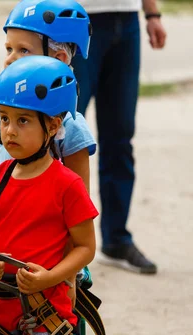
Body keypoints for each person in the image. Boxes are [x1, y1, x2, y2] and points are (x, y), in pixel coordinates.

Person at [0, 1, 97, 335]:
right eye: (8, 49)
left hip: (56, 272)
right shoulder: (2, 128)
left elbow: (78, 213)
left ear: (58, 56)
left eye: (22, 50)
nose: (10, 58)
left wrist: (65, 277)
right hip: (7, 276)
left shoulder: (69, 128)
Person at [71, 0, 166, 274]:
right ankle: (56, 244)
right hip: (76, 17)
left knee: (120, 135)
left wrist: (152, 13)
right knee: (63, 134)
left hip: (127, 19)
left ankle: (115, 240)